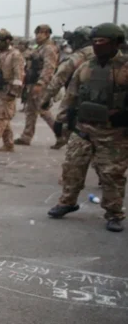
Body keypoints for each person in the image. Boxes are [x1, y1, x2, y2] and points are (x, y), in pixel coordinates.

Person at [46, 23, 128, 233]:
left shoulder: (125, 68)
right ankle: (67, 202)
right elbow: (71, 94)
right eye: (95, 41)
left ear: (116, 43)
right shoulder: (86, 67)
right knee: (72, 167)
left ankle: (114, 213)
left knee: (112, 175)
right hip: (83, 129)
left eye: (102, 41)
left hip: (113, 132)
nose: (97, 45)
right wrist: (61, 119)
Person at [40, 26, 94, 149]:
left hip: (80, 104)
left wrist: (45, 99)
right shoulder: (112, 55)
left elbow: (58, 80)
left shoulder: (78, 57)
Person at [15, 24, 59, 145]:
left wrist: (41, 83)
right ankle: (26, 136)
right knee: (30, 111)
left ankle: (61, 134)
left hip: (40, 84)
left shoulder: (49, 48)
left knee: (43, 111)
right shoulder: (39, 47)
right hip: (32, 83)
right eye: (37, 33)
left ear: (47, 34)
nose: (38, 36)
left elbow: (49, 68)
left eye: (41, 33)